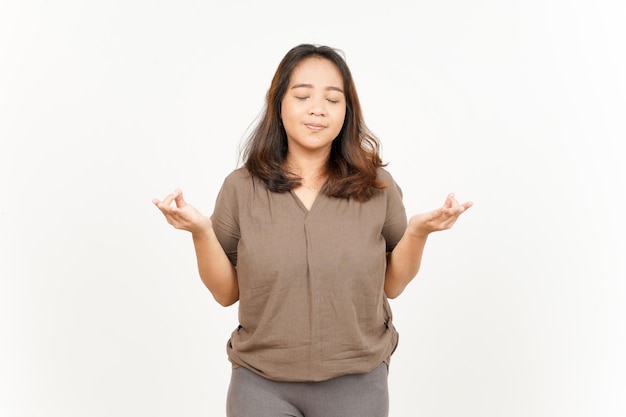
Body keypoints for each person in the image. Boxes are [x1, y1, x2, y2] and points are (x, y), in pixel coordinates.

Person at [153, 43, 472, 417]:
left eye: (333, 100)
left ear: (346, 112)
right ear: (279, 104)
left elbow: (393, 285)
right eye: (303, 95)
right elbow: (226, 294)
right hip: (260, 384)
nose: (317, 108)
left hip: (357, 382)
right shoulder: (241, 187)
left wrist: (418, 232)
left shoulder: (377, 187)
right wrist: (201, 231)